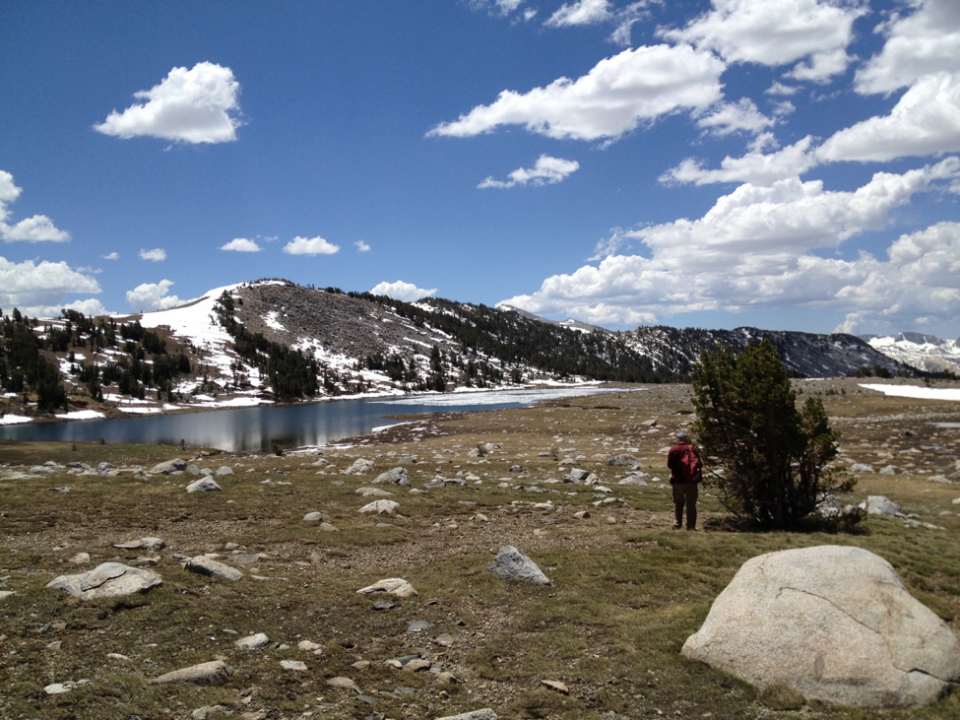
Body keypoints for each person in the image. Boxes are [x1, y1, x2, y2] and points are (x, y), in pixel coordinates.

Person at [667, 431, 702, 531]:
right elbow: (699, 463)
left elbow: (669, 465)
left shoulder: (673, 450)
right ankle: (690, 526)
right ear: (686, 439)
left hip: (677, 481)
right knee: (691, 504)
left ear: (678, 439)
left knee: (678, 504)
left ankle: (677, 524)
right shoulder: (691, 448)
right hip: (691, 481)